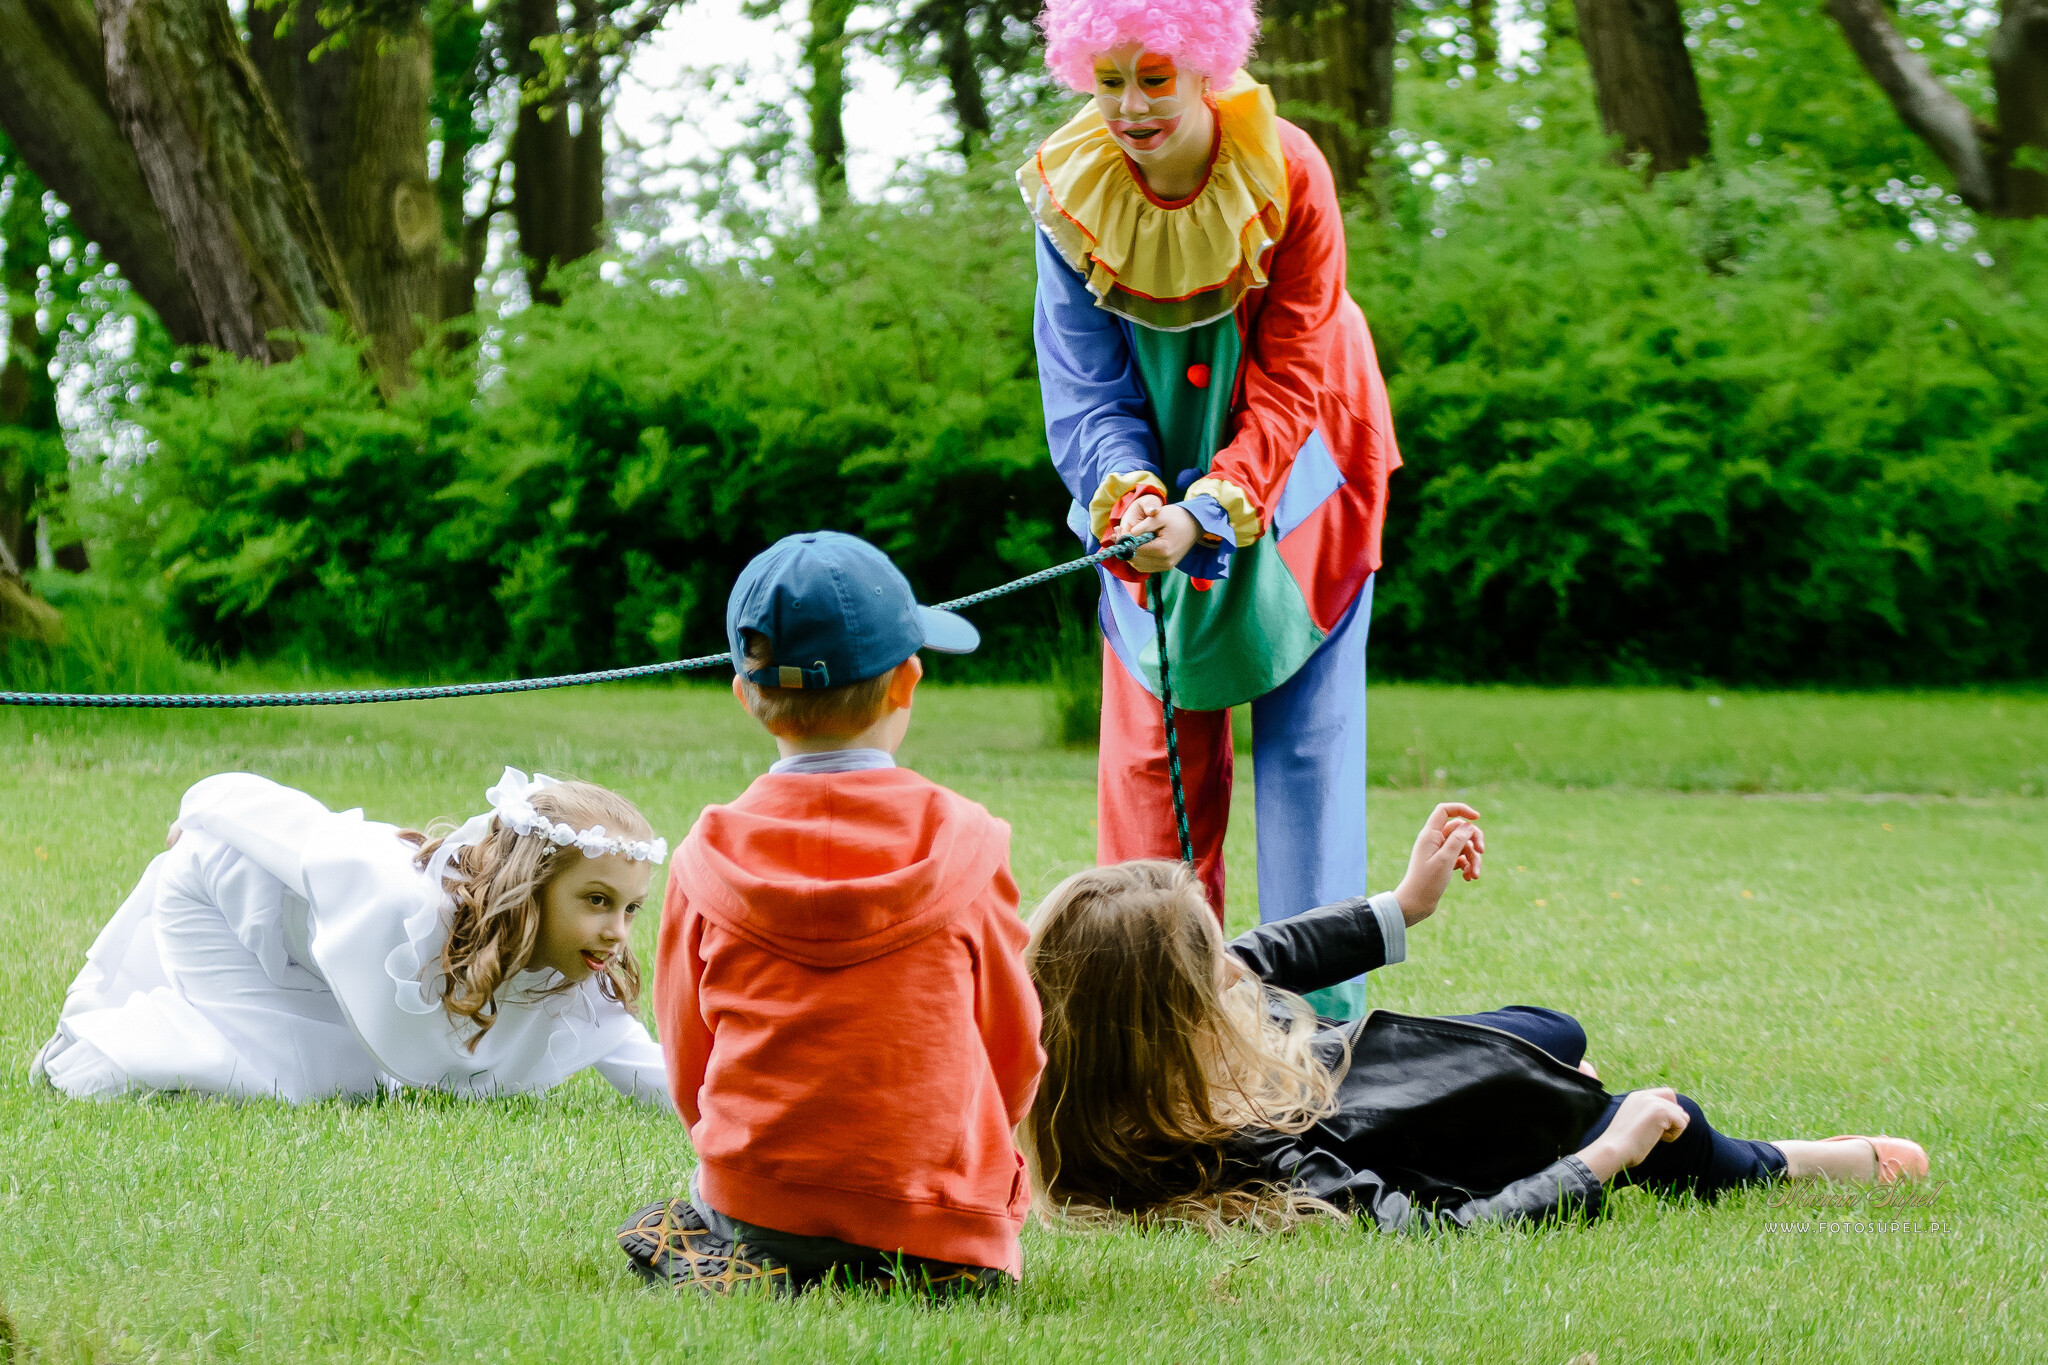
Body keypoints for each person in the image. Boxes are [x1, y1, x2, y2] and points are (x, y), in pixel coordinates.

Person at [1021, 0, 1402, 1019]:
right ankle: (1153, 1015)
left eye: (1154, 78)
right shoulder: (1067, 191)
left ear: (1204, 67)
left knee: (1307, 752)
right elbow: (1083, 386)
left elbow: (1296, 368)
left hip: (1303, 478)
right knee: (1152, 757)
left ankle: (1315, 1027)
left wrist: (1217, 503)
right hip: (1145, 486)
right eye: (1108, 81)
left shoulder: (1288, 171)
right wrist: (1134, 494)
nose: (1131, 108)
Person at [1020, 805, 1930, 1230]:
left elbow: (1264, 953)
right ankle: (1791, 1161)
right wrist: (1602, 1156)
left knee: (1554, 1030)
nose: (1236, 965)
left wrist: (1404, 904)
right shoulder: (1249, 1152)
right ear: (1166, 1016)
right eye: (1209, 963)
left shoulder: (1103, 1067)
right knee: (1663, 1117)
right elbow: (1432, 1233)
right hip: (1423, 1131)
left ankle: (1551, 1080)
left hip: (1376, 1074)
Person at [616, 531, 1045, 1296]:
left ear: (746, 695)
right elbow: (1014, 1047)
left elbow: (688, 1060)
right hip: (941, 1234)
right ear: (907, 681)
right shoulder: (968, 842)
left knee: (680, 1223)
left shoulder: (704, 855)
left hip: (756, 1211)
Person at [32, 768, 671, 1104]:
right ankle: (101, 1054)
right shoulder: (393, 901)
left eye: (632, 908)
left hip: (314, 959)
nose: (617, 932)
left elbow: (651, 1071)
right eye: (596, 901)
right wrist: (198, 812)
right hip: (218, 902)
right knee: (297, 1083)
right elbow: (280, 816)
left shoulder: (580, 978)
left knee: (357, 1084)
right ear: (531, 887)